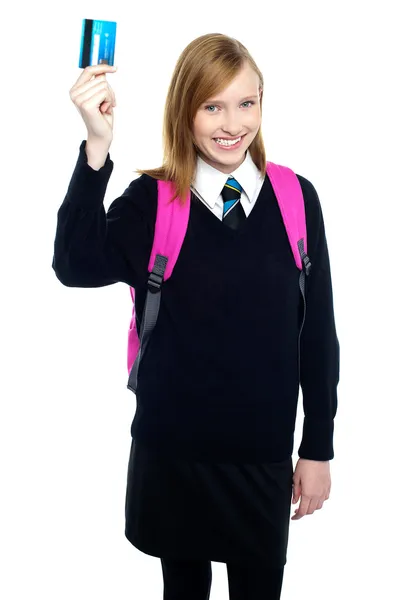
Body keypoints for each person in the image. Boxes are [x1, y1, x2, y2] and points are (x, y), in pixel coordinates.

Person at [53, 33, 339, 600]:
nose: (232, 123)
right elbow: (74, 264)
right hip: (173, 454)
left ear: (262, 102)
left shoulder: (295, 198)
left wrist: (318, 446)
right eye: (213, 106)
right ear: (186, 111)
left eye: (246, 103)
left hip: (260, 456)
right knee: (183, 590)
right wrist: (96, 146)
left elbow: (318, 333)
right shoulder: (152, 200)